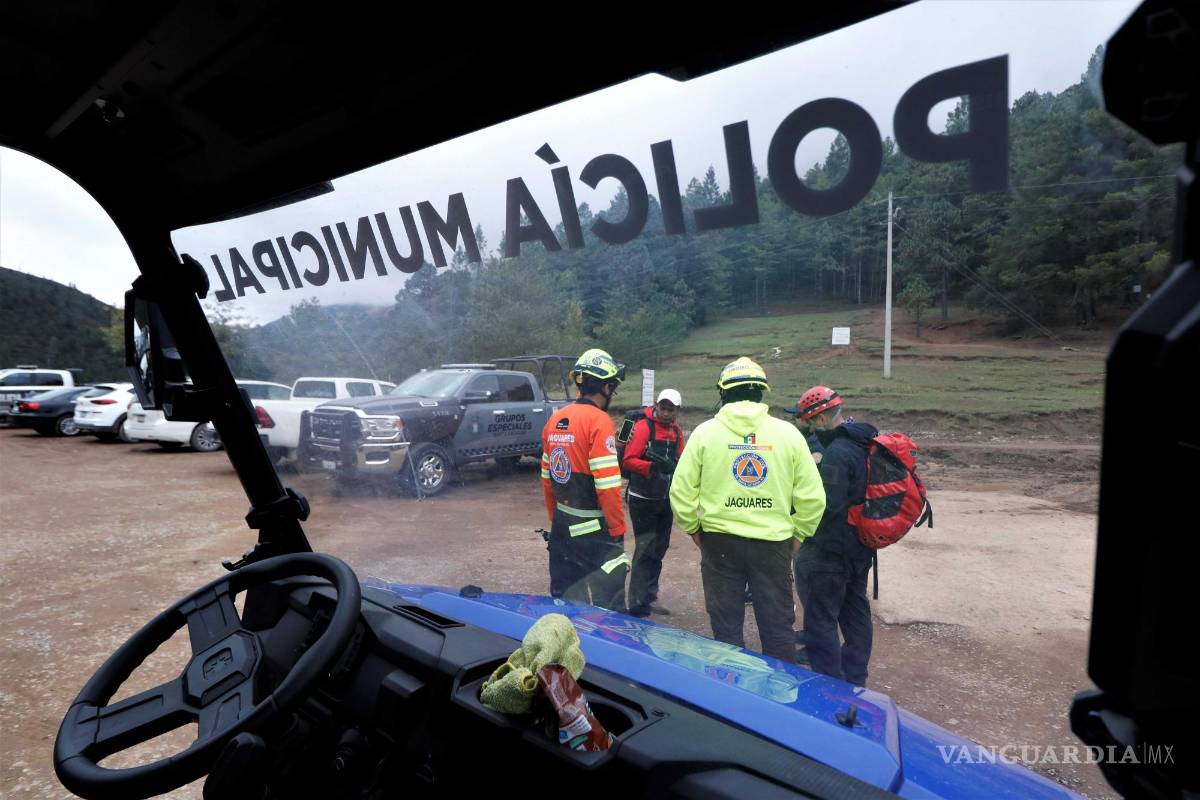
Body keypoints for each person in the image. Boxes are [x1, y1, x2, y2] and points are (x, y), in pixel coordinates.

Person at [668, 357, 826, 662]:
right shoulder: (788, 435)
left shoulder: (705, 433)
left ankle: (730, 700)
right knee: (778, 629)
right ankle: (777, 699)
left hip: (719, 542)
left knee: (726, 630)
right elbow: (813, 497)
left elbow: (680, 491)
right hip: (773, 544)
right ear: (761, 392)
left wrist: (694, 530)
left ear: (723, 393)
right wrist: (798, 536)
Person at [788, 386, 878, 686]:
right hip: (860, 547)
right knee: (855, 612)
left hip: (830, 552)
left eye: (812, 421)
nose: (811, 427)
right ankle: (855, 677)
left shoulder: (838, 453)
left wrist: (801, 534)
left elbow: (828, 505)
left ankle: (829, 685)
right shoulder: (862, 443)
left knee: (821, 619)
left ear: (824, 417)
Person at [540, 348, 630, 611]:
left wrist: (555, 518)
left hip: (561, 527)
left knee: (567, 603)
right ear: (605, 386)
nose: (612, 394)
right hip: (595, 531)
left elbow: (547, 479)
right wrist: (616, 530)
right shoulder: (599, 422)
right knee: (608, 610)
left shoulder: (555, 419)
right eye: (612, 388)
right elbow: (607, 485)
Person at [621, 388, 686, 618]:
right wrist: (653, 467)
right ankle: (637, 603)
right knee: (645, 548)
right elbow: (628, 460)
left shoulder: (677, 432)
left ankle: (649, 595)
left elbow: (681, 461)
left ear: (678, 410)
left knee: (660, 547)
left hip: (665, 498)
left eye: (671, 409)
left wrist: (674, 467)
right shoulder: (642, 428)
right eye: (663, 407)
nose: (666, 413)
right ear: (657, 405)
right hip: (642, 499)